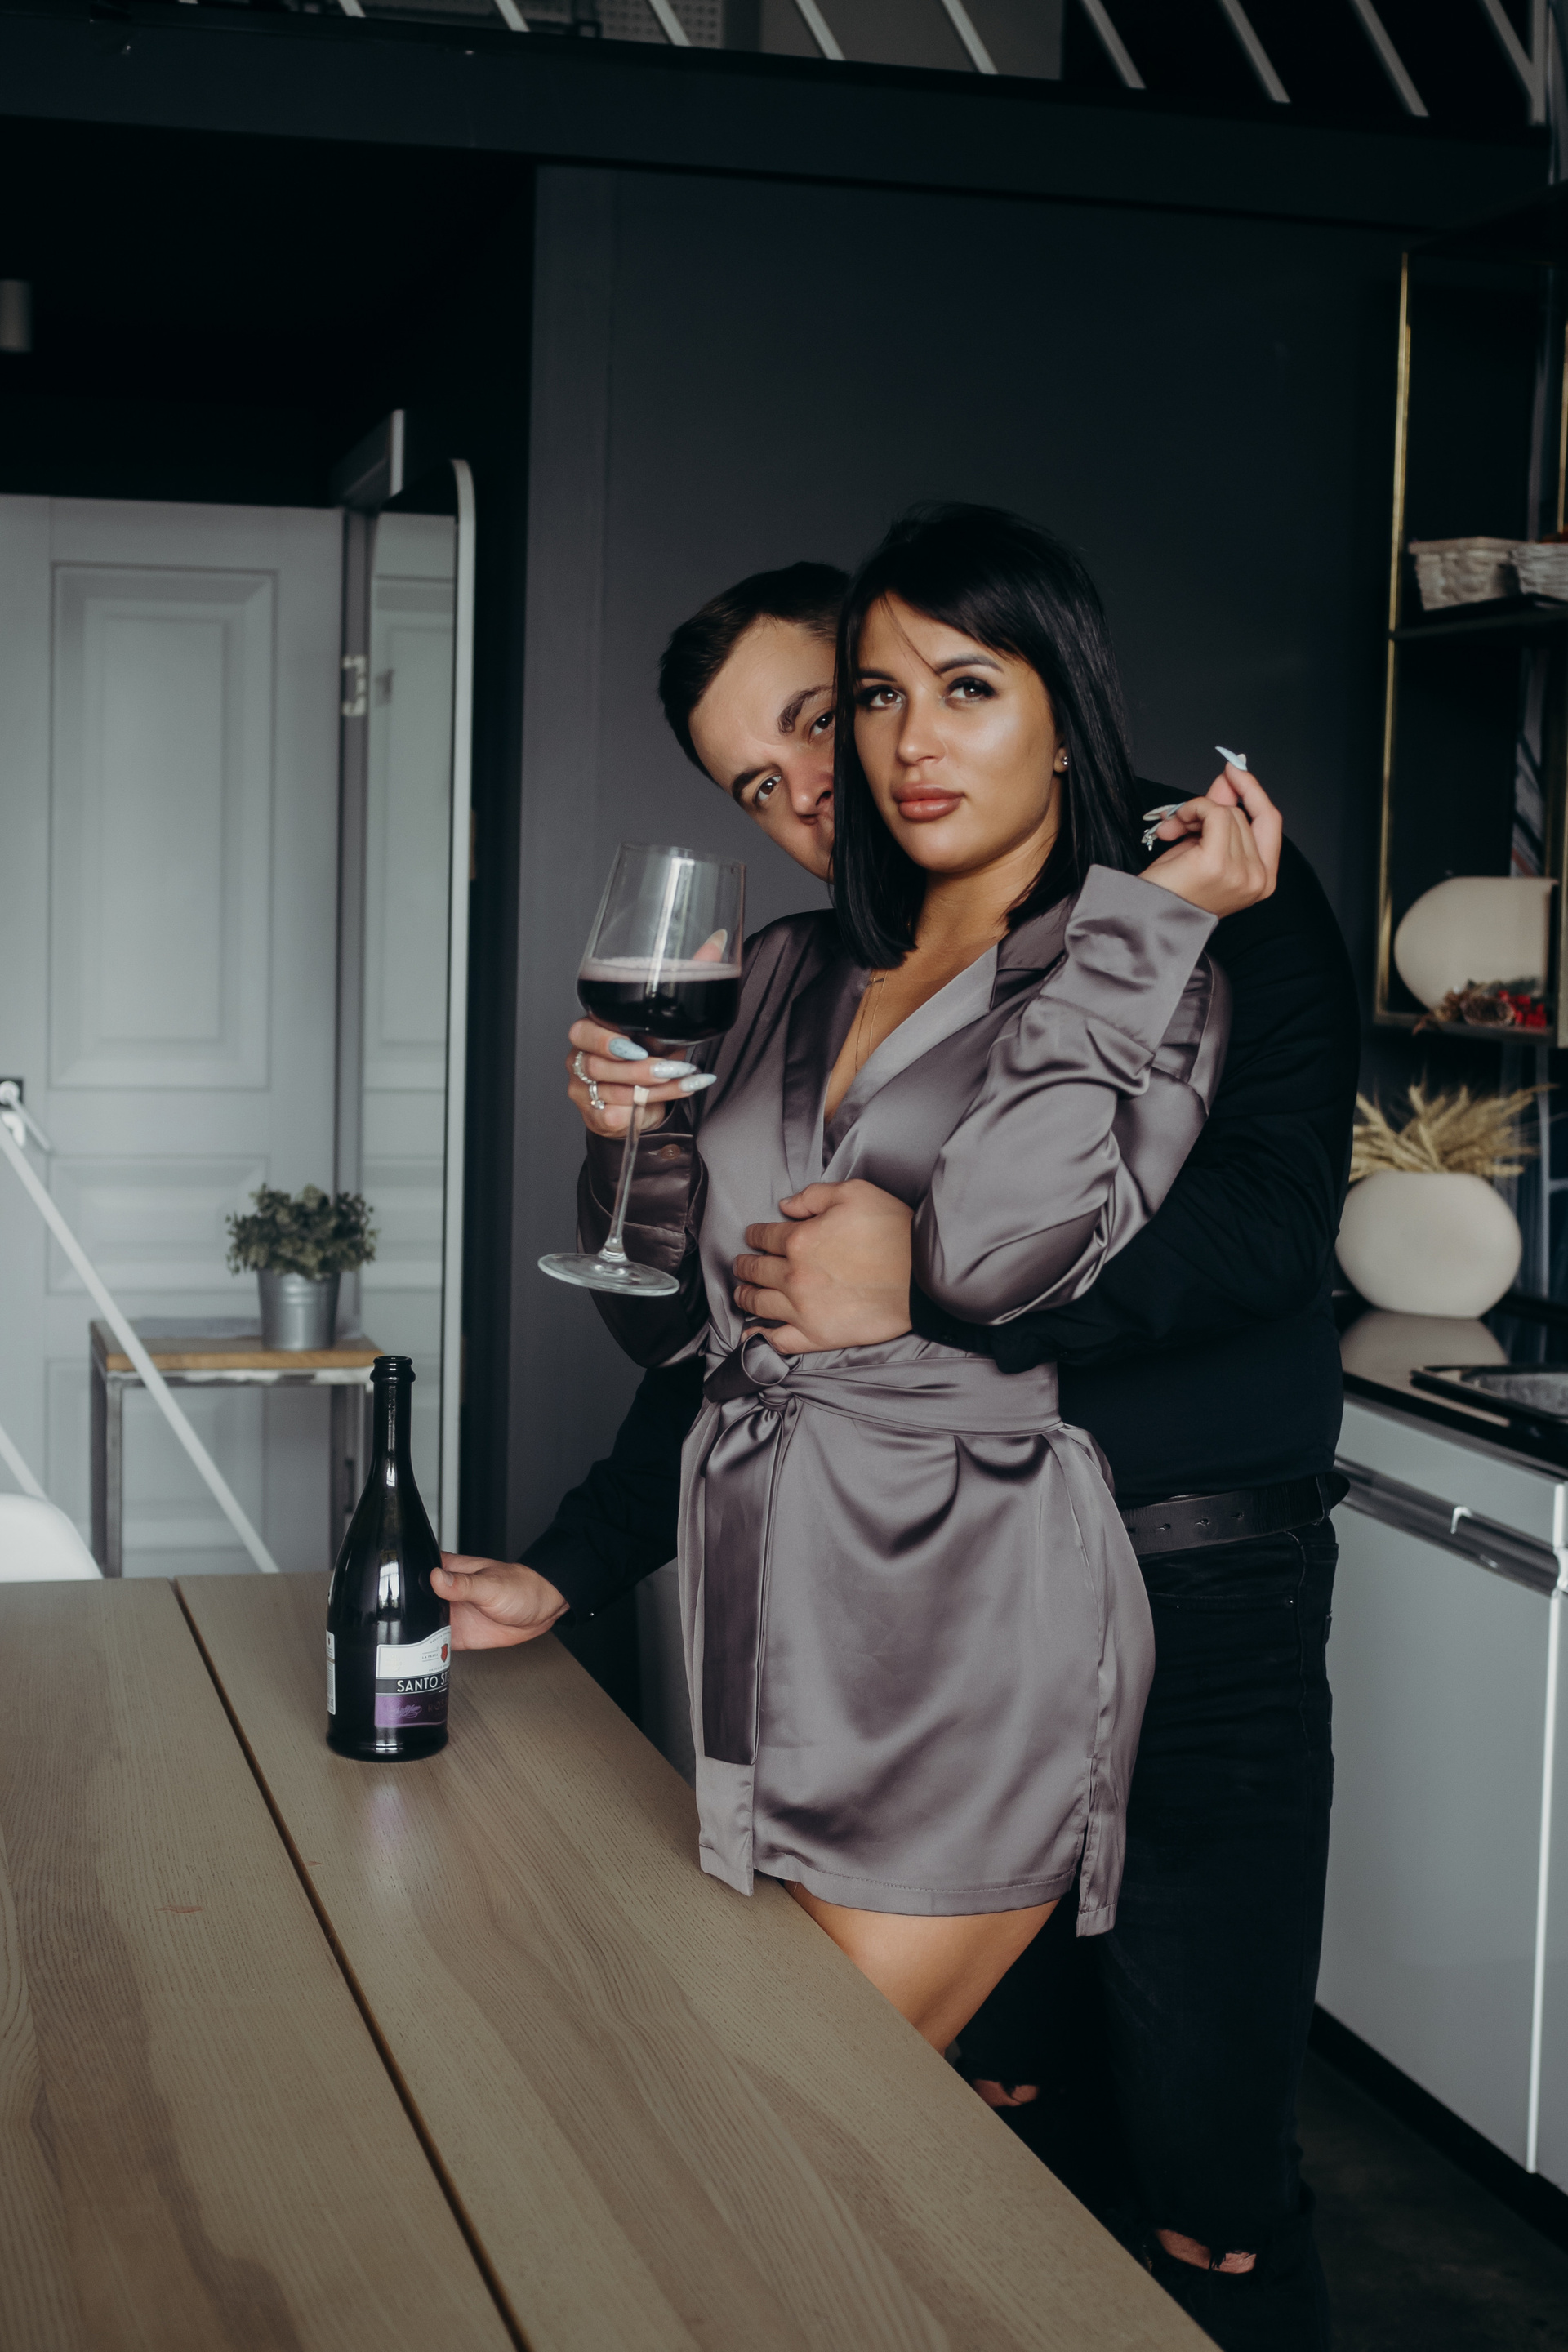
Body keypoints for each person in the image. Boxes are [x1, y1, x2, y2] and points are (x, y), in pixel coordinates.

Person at [438, 528, 1356, 2352]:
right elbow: (716, 1334)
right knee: (971, 2122)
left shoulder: (1194, 901)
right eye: (778, 765)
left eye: (826, 713)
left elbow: (1258, 1237)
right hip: (881, 1611)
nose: (830, 779)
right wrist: (577, 1545)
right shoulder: (801, 967)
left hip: (1189, 1577)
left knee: (1198, 2174)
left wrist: (919, 1287)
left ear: (1048, 702)